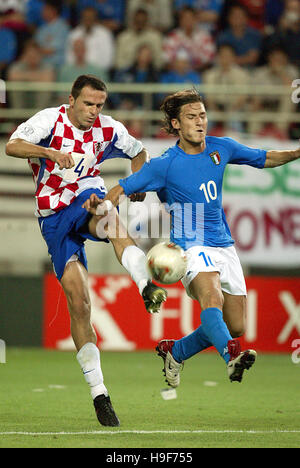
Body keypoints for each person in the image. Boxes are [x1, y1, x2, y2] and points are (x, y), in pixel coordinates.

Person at [83, 88, 300, 388]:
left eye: (203, 115)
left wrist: (297, 152)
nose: (200, 122)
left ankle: (176, 351)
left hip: (224, 244)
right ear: (176, 125)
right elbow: (122, 188)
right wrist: (102, 205)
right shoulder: (165, 164)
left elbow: (265, 157)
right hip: (189, 246)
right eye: (191, 117)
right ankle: (231, 358)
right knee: (212, 297)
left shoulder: (221, 147)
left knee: (235, 325)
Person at [5, 74, 167, 426]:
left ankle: (145, 285)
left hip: (87, 199)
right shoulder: (49, 120)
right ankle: (100, 394)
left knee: (108, 216)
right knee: (79, 302)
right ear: (72, 100)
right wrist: (48, 152)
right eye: (88, 104)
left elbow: (139, 151)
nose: (94, 111)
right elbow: (12, 146)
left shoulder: (109, 129)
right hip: (53, 219)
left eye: (99, 105)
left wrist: (136, 180)